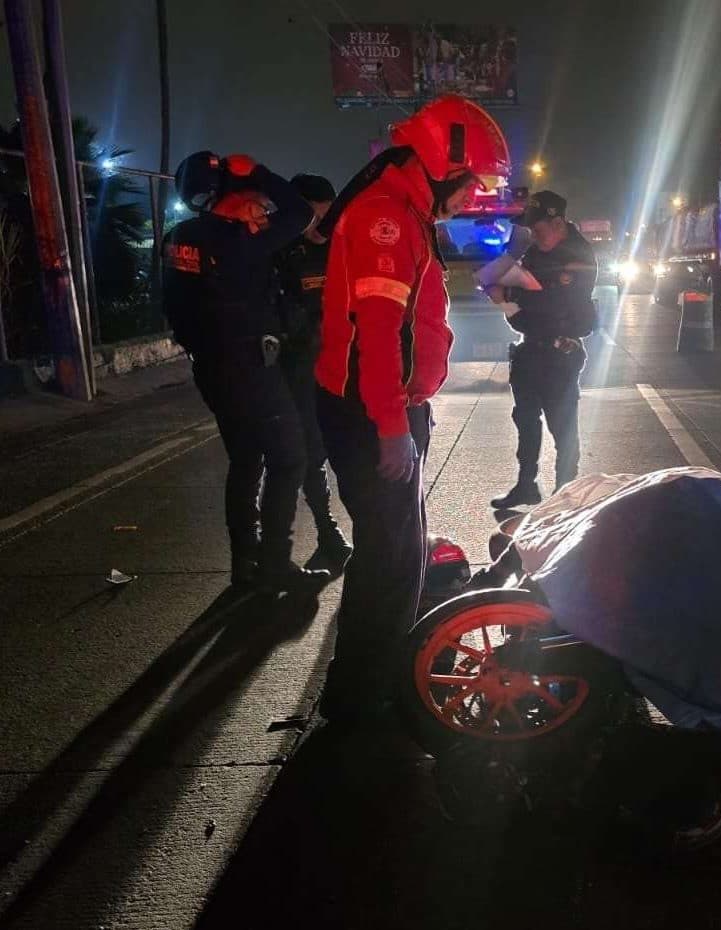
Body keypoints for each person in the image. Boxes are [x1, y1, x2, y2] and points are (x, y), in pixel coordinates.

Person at [313, 95, 498, 723]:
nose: (474, 198)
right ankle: (361, 699)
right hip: (370, 414)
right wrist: (394, 429)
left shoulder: (406, 213)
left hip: (383, 409)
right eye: (472, 184)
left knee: (400, 550)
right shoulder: (383, 219)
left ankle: (380, 678)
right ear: (443, 164)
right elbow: (377, 338)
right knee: (389, 559)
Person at [163, 151, 329, 592]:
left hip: (212, 369)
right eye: (255, 200)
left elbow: (172, 305)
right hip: (251, 367)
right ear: (232, 199)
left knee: (246, 462)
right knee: (290, 457)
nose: (262, 210)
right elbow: (297, 212)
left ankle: (245, 564)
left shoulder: (180, 237)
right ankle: (275, 564)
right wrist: (257, 172)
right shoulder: (237, 240)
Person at [488, 190, 599, 509]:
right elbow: (528, 293)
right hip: (531, 349)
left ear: (558, 223)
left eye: (538, 230)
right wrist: (510, 300)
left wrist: (509, 293)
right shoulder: (536, 252)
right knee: (525, 418)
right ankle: (526, 485)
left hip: (559, 354)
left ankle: (566, 492)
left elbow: (553, 301)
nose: (533, 236)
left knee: (562, 425)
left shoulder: (577, 255)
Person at [274, 173, 352, 576]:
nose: (322, 226)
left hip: (348, 368)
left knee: (355, 455)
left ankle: (369, 532)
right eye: (314, 218)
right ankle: (326, 530)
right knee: (309, 455)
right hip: (302, 370)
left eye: (327, 216)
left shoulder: (347, 247)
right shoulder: (281, 254)